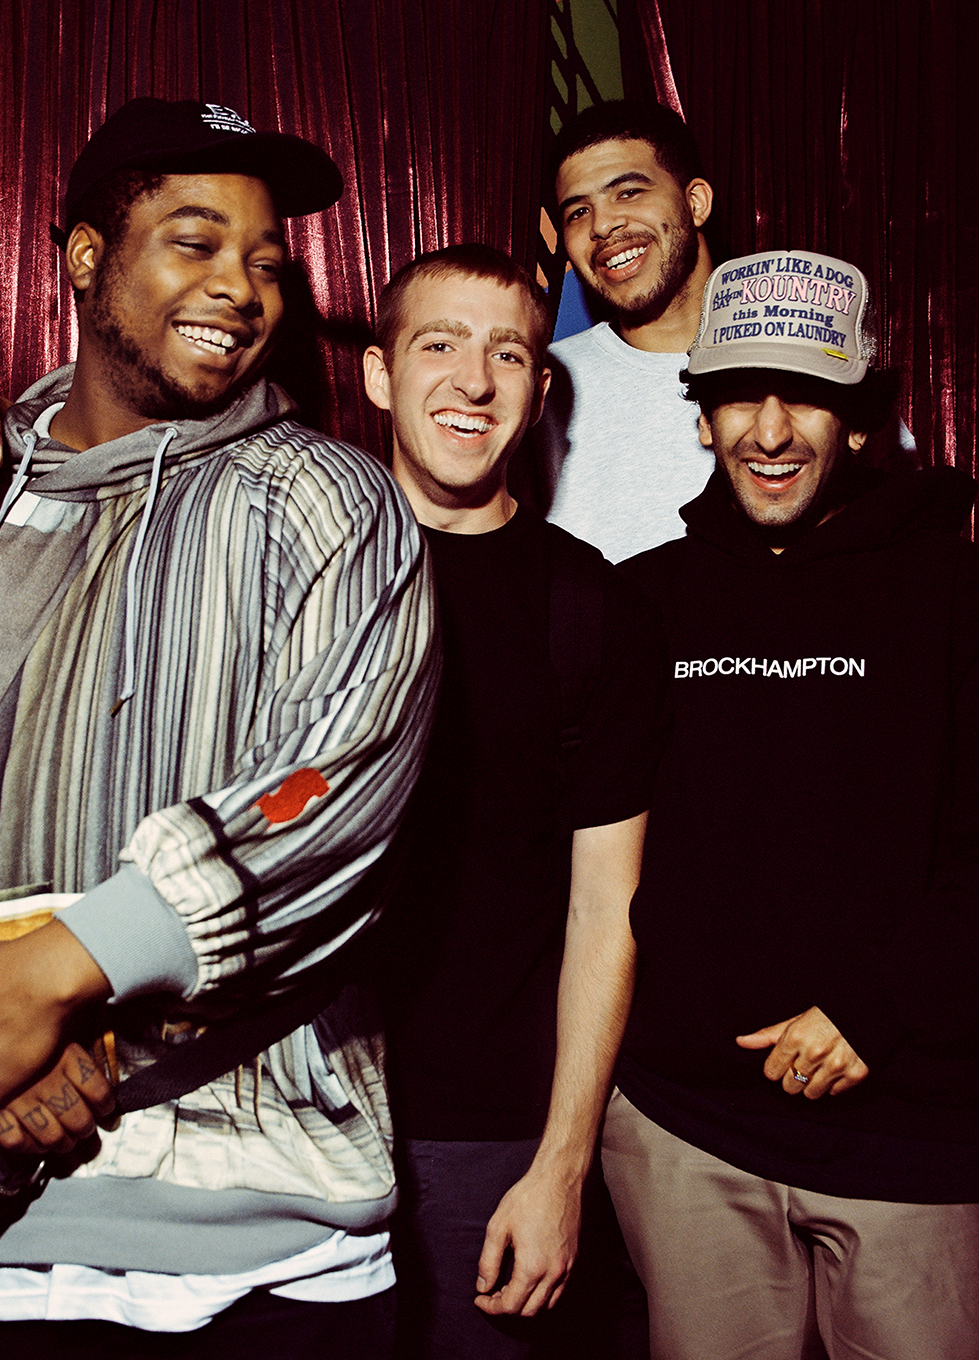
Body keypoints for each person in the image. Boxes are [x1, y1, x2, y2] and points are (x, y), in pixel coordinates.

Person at [0, 97, 438, 1356]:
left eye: (267, 262)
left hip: (274, 1253)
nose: (239, 286)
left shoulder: (330, 503)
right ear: (85, 257)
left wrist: (47, 976)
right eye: (195, 242)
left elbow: (339, 790)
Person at [606, 248, 979, 1360]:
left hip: (910, 1126)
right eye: (739, 397)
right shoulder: (643, 602)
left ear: (858, 419)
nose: (769, 431)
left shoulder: (956, 596)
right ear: (701, 417)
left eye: (806, 396)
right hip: (684, 1129)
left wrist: (879, 1007)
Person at [358, 244, 668, 1358]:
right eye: (438, 344)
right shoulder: (291, 571)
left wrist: (560, 1166)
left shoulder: (588, 606)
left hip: (486, 1140)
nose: (472, 382)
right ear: (380, 374)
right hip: (285, 1125)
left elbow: (605, 909)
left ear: (539, 391)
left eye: (505, 356)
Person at [535, 99, 718, 562]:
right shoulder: (544, 387)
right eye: (577, 212)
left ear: (695, 202)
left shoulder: (793, 356)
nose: (602, 225)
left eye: (628, 192)